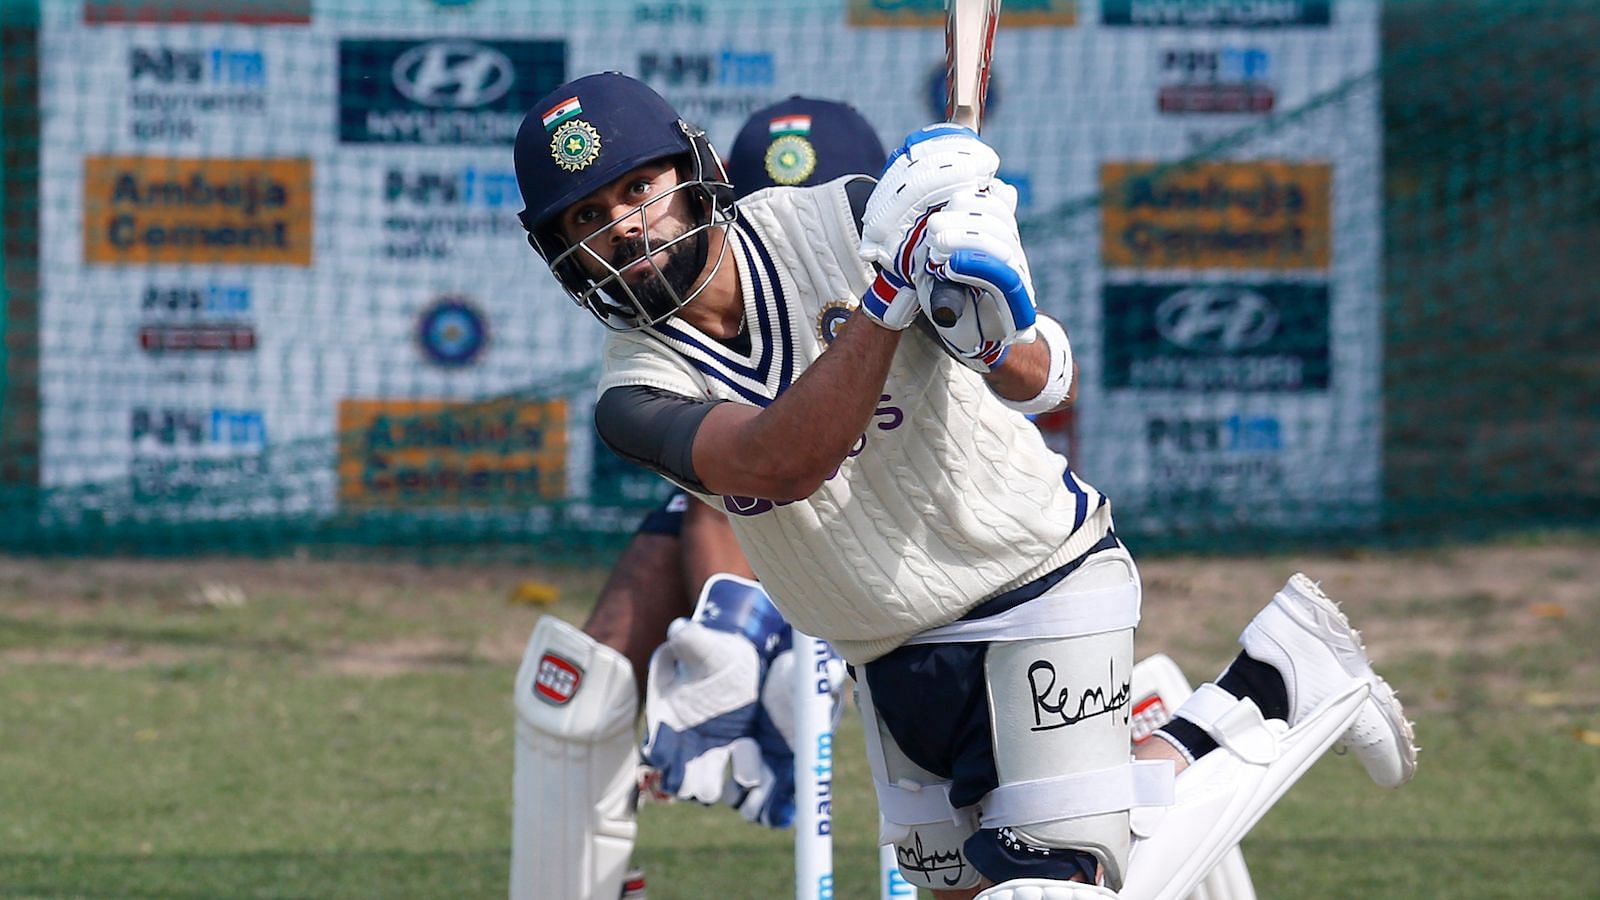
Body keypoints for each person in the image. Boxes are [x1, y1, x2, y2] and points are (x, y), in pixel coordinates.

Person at [512, 72, 1415, 900]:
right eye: (587, 219)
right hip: (888, 656)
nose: (625, 226)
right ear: (564, 255)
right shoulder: (632, 393)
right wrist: (889, 297)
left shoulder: (846, 216)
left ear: (695, 168)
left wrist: (981, 313)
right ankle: (1262, 684)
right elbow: (780, 463)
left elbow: (1046, 375)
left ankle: (1286, 694)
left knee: (1050, 894)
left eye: (640, 189)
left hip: (1034, 586)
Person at [509, 95, 888, 900]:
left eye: (640, 194)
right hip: (748, 501)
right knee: (574, 694)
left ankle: (1165, 754)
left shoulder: (864, 247)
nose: (632, 230)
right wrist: (731, 633)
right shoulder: (650, 367)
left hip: (907, 527)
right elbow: (736, 476)